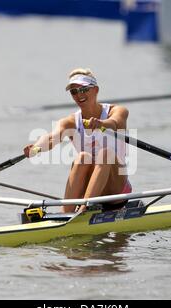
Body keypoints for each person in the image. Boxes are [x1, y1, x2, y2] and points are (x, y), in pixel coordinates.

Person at [23, 68, 130, 213]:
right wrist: (36, 148)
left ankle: (83, 210)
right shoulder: (70, 122)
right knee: (82, 157)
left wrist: (101, 124)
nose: (79, 95)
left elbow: (115, 122)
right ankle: (66, 213)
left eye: (84, 89)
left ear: (96, 90)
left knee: (106, 154)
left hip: (116, 189)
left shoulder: (117, 111)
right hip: (88, 189)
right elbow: (51, 137)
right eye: (74, 92)